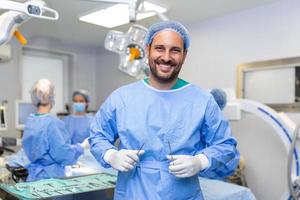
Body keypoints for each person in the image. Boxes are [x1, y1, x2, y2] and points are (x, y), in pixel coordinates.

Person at [89, 21, 239, 200]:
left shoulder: (202, 101)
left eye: (175, 50)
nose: (166, 57)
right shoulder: (121, 98)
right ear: (148, 49)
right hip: (132, 193)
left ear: (184, 55)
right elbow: (98, 135)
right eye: (160, 48)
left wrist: (200, 161)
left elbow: (225, 144)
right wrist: (110, 154)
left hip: (183, 194)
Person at [22, 79, 86, 182]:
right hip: (50, 179)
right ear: (51, 97)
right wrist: (81, 147)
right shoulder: (53, 123)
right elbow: (63, 154)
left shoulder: (31, 120)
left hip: (33, 177)